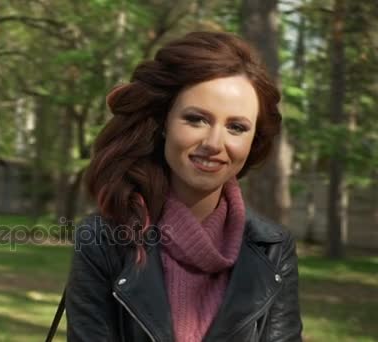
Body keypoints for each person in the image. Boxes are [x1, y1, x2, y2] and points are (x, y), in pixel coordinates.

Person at [64, 31, 303, 342]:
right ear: (164, 123)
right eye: (196, 119)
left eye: (236, 127)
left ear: (253, 138)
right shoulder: (103, 241)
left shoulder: (273, 248)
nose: (214, 143)